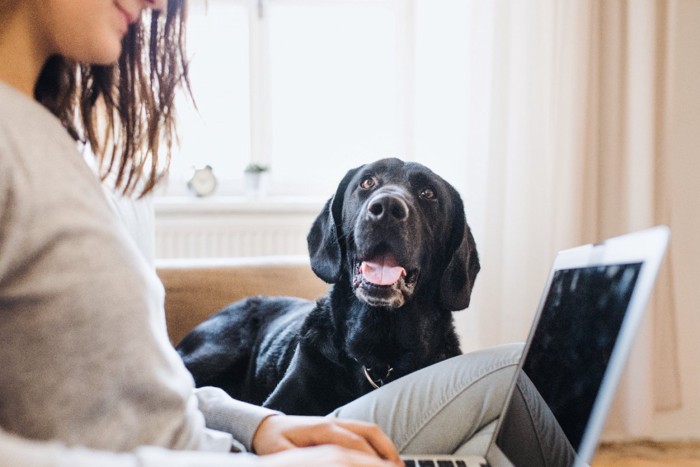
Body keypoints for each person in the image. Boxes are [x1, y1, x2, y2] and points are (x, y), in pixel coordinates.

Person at [0, 1, 525, 466]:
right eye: (369, 190)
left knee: (492, 445)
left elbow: (145, 394)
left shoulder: (56, 148)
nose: (160, 2)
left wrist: (259, 425)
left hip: (227, 440)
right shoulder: (15, 150)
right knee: (519, 376)